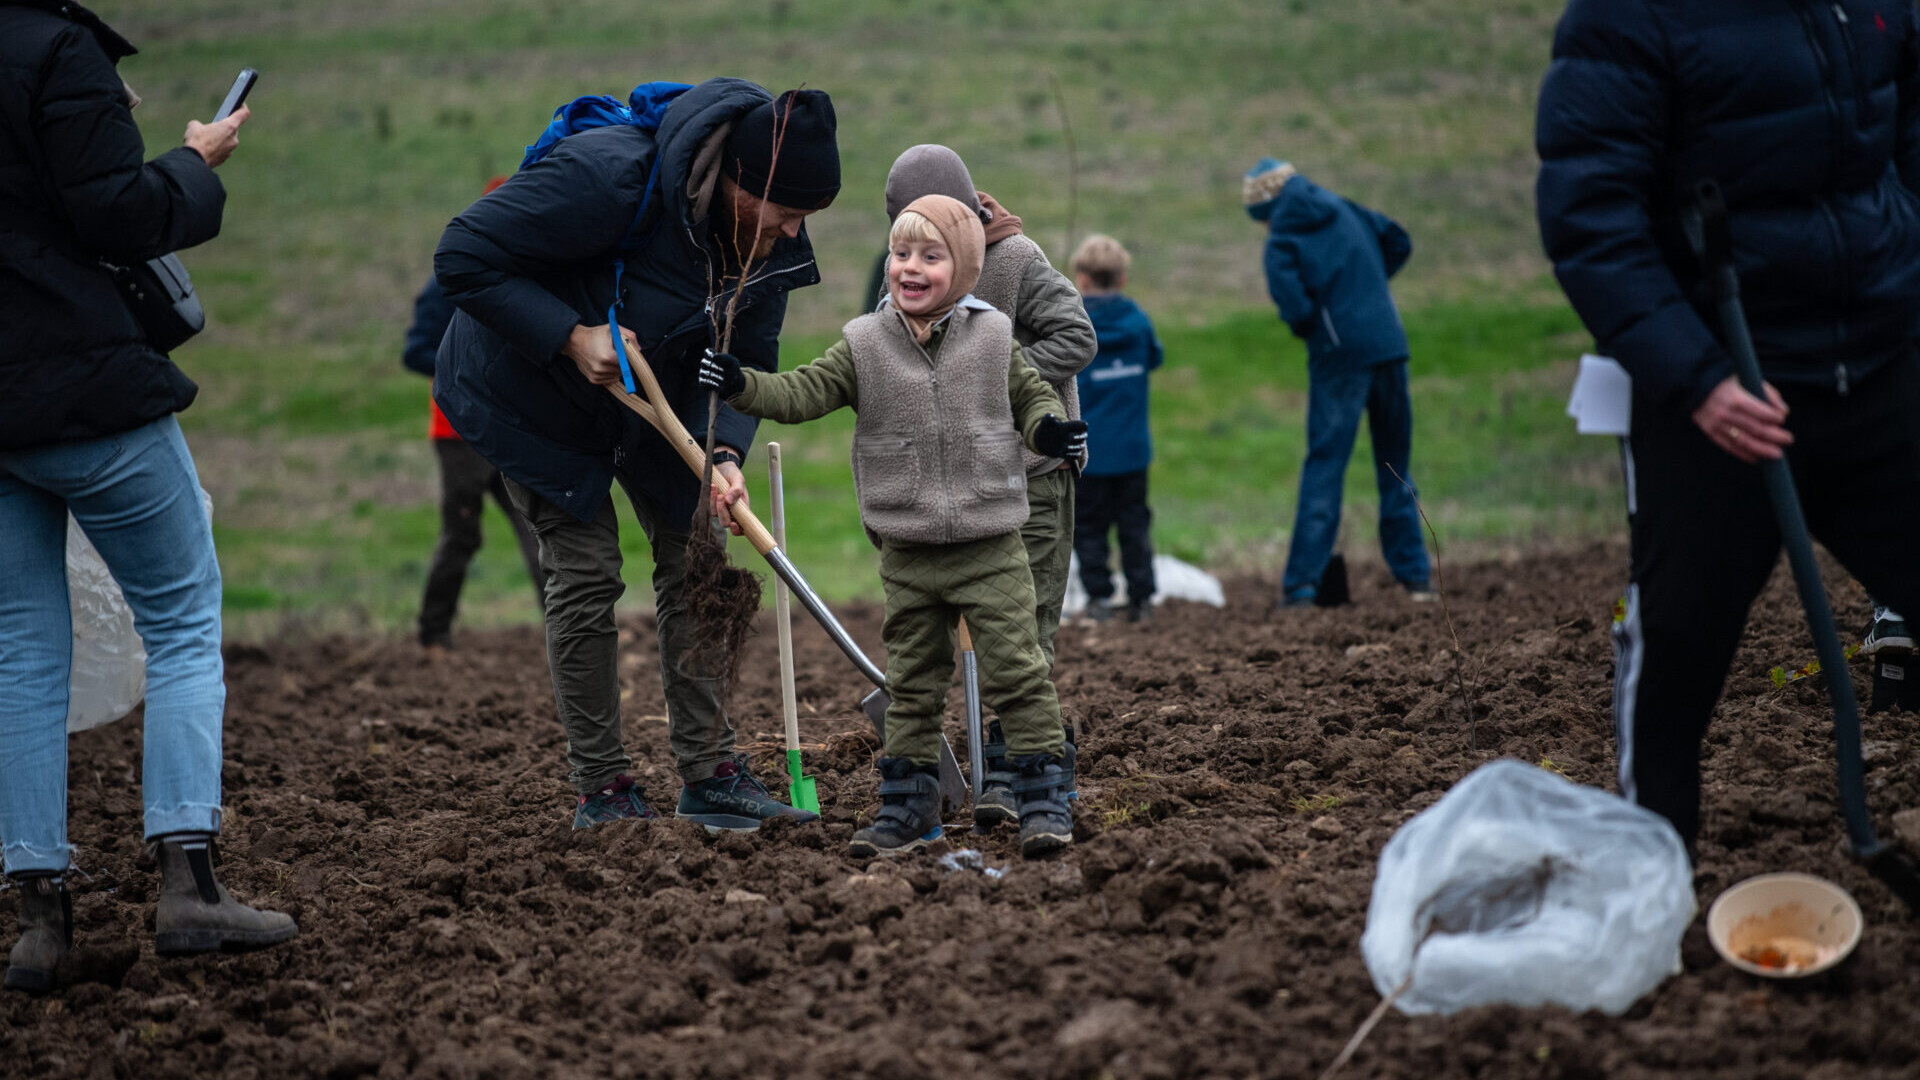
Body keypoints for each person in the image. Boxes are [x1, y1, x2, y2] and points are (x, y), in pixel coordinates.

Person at [1536, 0, 1920, 847]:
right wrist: (1697, 378)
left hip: (1880, 363)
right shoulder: (1625, 19)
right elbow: (1591, 217)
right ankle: (1652, 876)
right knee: (1678, 638)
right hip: (1717, 395)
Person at [434, 80, 836, 832]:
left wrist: (722, 450)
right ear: (741, 184)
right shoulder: (608, 177)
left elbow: (747, 350)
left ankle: (711, 772)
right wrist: (568, 333)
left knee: (701, 555)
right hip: (532, 394)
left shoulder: (770, 244)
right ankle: (603, 790)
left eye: (806, 219)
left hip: (659, 396)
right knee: (586, 574)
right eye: (786, 215)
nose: (794, 233)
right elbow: (461, 256)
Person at [0, 0, 296, 993]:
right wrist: (191, 163)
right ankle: (189, 884)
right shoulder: (54, 48)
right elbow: (112, 212)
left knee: (21, 650)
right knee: (182, 618)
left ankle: (39, 919)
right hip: (82, 387)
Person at [699, 195, 1087, 858]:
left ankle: (1044, 797)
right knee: (911, 685)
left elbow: (1033, 396)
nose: (910, 267)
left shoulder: (994, 339)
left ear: (961, 270)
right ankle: (911, 807)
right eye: (900, 254)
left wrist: (1048, 429)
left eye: (930, 257)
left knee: (1018, 672)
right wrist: (742, 385)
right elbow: (801, 391)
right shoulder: (865, 344)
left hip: (990, 542)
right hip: (908, 550)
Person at [881, 145, 1095, 828]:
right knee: (974, 627)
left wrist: (990, 371)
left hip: (1036, 475)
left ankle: (1019, 765)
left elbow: (1077, 334)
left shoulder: (1017, 260)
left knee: (1023, 631)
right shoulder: (907, 282)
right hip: (961, 488)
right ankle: (998, 763)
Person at [1244, 158, 1434, 609]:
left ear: (1265, 207)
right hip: (1389, 343)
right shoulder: (1344, 207)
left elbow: (1292, 303)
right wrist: (1365, 290)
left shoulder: (1282, 239)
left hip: (1338, 355)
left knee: (1325, 465)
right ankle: (1418, 581)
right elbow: (1398, 240)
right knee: (1396, 468)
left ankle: (1303, 587)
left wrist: (1318, 321)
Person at [402, 177, 546, 657]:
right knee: (462, 534)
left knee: (539, 531)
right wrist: (472, 375)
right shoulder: (451, 279)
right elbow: (418, 351)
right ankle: (432, 635)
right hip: (459, 432)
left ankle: (566, 636)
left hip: (509, 428)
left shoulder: (525, 281)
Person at [1069, 234, 1163, 624]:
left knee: (1088, 529)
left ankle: (1100, 598)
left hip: (1090, 454)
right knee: (1134, 525)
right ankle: (1142, 599)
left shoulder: (1074, 325)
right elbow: (1155, 358)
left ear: (1081, 279)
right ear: (1122, 278)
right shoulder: (1138, 322)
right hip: (1133, 451)